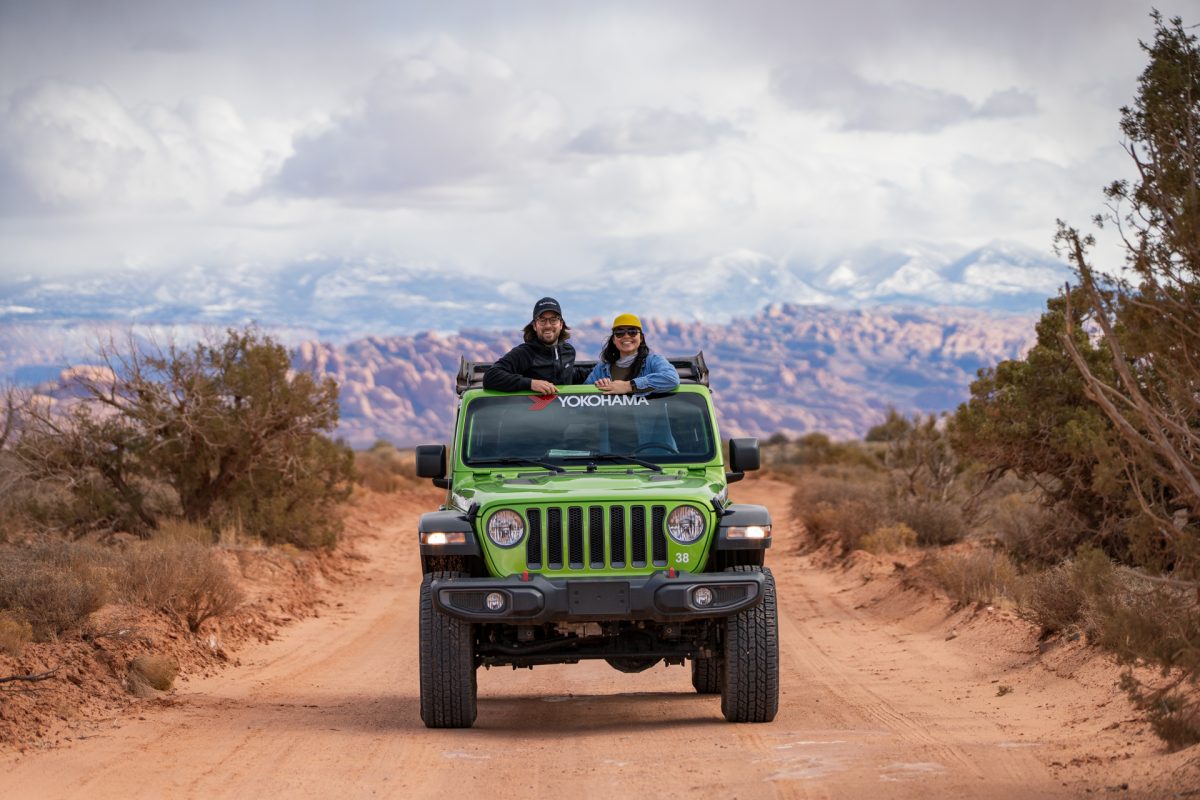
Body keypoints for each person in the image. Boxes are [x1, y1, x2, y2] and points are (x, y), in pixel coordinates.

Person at [483, 297, 586, 393]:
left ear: (561, 324)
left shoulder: (568, 351)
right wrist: (531, 383)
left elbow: (571, 375)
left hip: (563, 412)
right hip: (532, 411)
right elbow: (490, 377)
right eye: (542, 320)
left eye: (553, 320)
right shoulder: (525, 353)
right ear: (535, 326)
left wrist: (601, 378)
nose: (548, 325)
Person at [584, 313, 679, 393]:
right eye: (620, 332)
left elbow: (671, 379)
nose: (626, 336)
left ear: (641, 338)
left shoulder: (653, 361)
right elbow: (584, 394)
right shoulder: (601, 369)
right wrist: (597, 386)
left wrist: (628, 386)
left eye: (632, 331)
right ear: (614, 339)